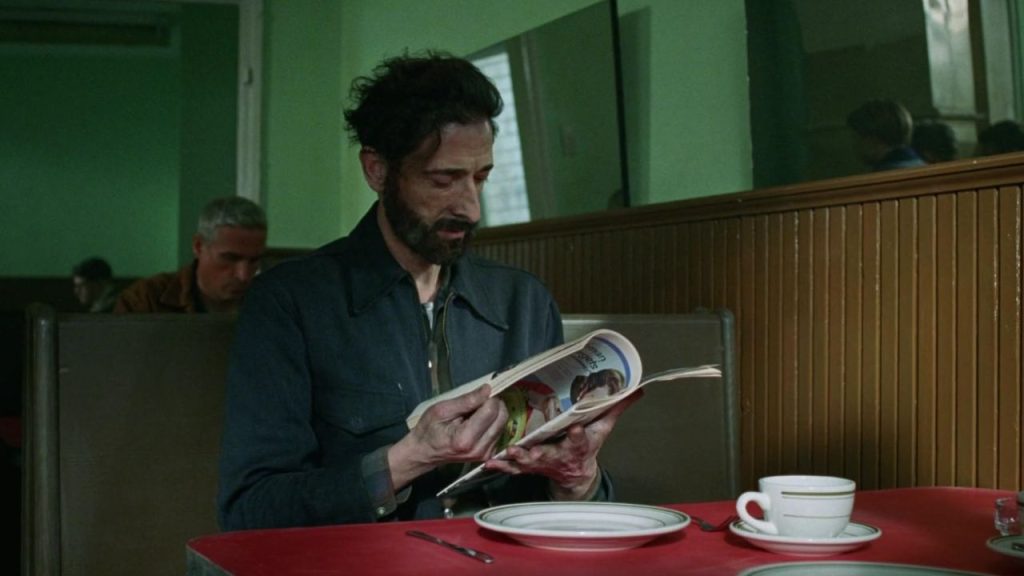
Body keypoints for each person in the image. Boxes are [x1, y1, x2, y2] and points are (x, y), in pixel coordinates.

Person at [217, 51, 638, 530]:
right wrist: (406, 460)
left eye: (480, 178)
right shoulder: (291, 302)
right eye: (444, 180)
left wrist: (578, 479)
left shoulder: (523, 302)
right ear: (377, 170)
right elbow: (249, 510)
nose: (471, 208)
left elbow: (556, 518)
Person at [115, 196, 267, 314]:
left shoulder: (269, 304)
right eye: (230, 258)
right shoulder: (145, 300)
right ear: (198, 246)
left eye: (254, 260)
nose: (244, 275)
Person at [846, 99, 926, 172]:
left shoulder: (885, 175)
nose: (854, 146)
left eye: (855, 137)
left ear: (872, 139)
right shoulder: (921, 165)